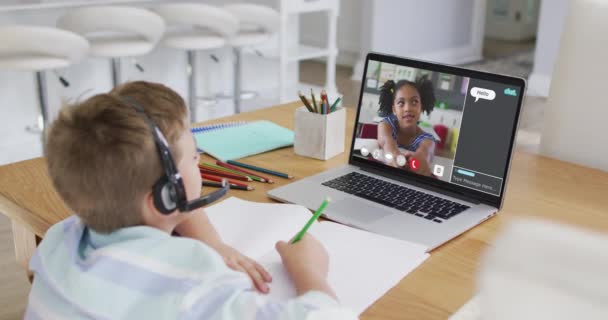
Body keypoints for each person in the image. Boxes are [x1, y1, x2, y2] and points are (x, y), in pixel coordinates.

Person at [25, 81, 346, 319]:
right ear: (166, 195)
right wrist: (310, 270)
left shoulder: (60, 241)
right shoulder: (190, 280)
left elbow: (152, 203)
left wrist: (215, 244)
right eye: (194, 157)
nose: (200, 161)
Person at [376, 78, 437, 176]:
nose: (408, 108)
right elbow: (387, 143)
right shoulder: (386, 125)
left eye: (414, 102)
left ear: (421, 107)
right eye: (401, 103)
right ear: (394, 109)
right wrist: (395, 156)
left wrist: (417, 160)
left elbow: (426, 152)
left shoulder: (428, 140)